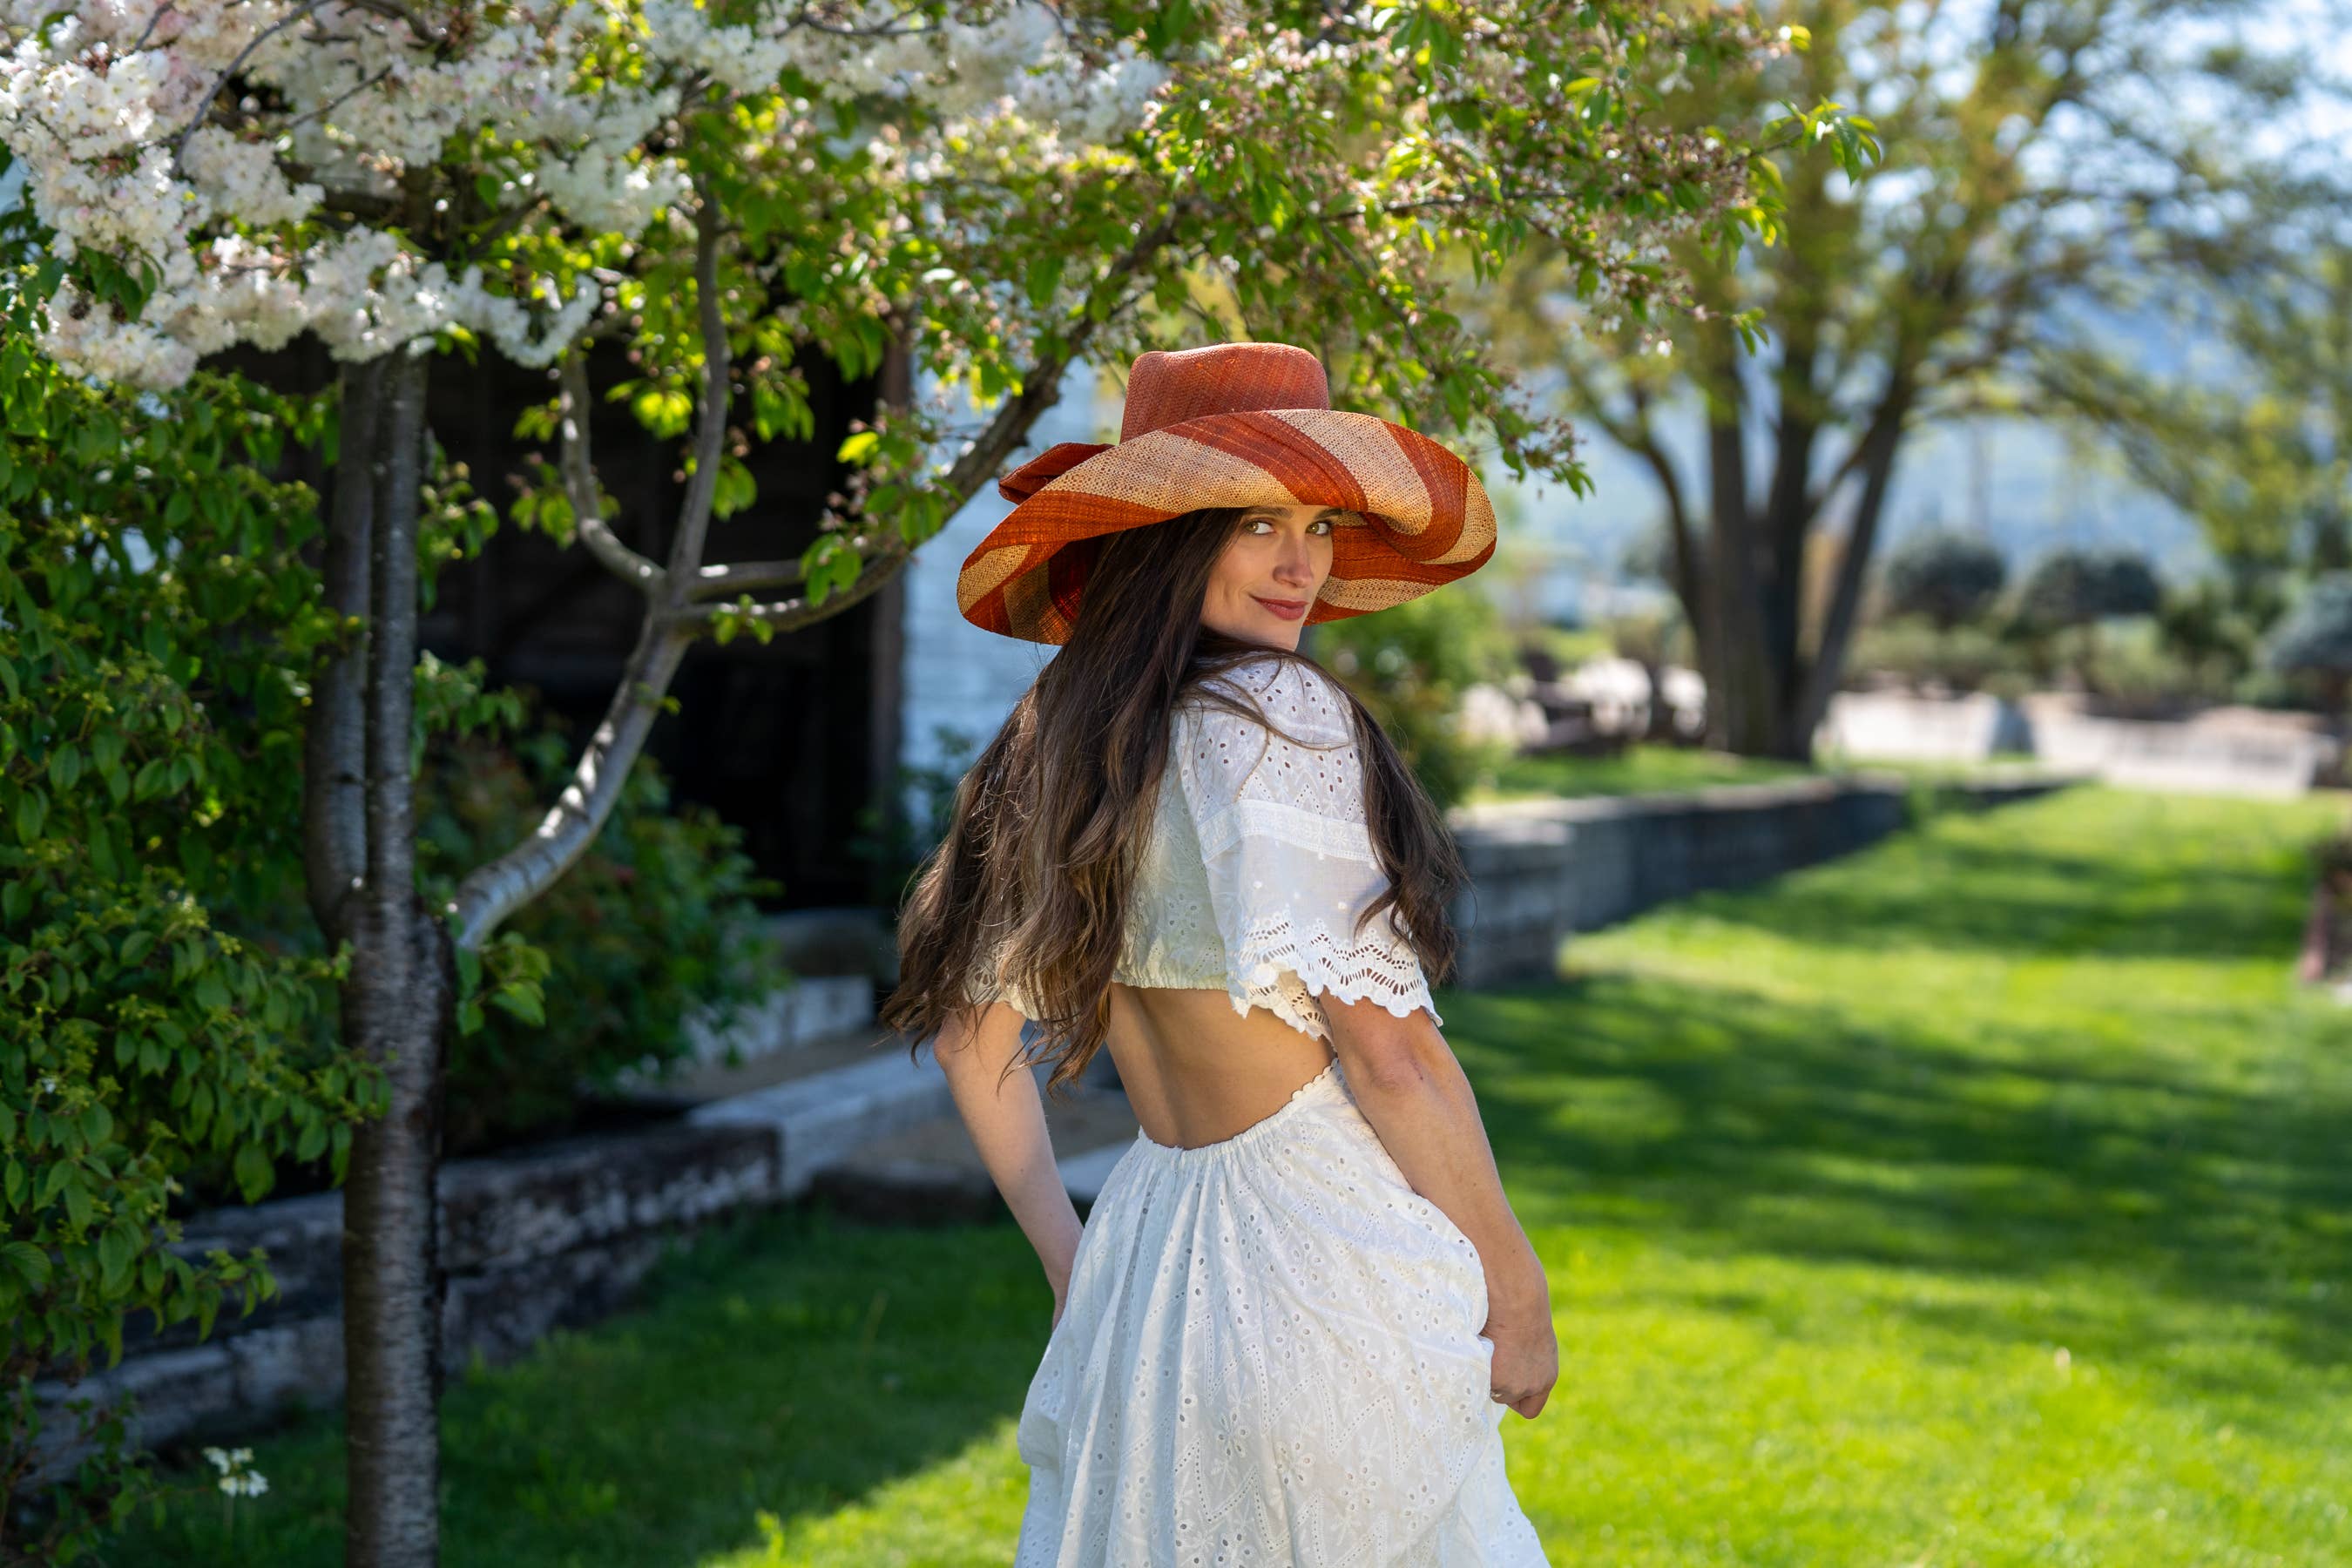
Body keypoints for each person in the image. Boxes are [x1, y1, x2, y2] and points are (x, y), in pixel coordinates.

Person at [879, 341, 1558, 1564]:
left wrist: (1072, 1261)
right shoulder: (1280, 719)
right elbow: (1388, 1052)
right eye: (1255, 524)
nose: (1302, 562)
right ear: (1168, 539)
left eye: (1319, 524)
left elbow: (967, 1033)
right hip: (1318, 1254)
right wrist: (1516, 1285)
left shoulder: (1053, 750)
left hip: (1150, 1253)